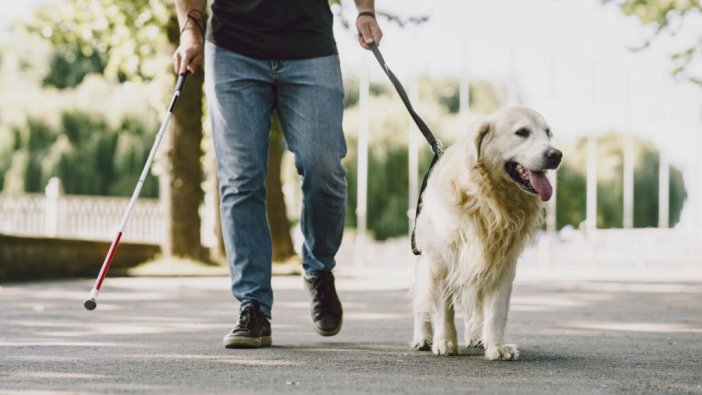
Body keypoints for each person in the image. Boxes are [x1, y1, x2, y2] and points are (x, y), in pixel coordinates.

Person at [173, 0, 383, 348]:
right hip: (233, 49)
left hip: (310, 48)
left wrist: (365, 11)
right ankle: (252, 305)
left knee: (324, 166)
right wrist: (190, 30)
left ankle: (319, 269)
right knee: (240, 181)